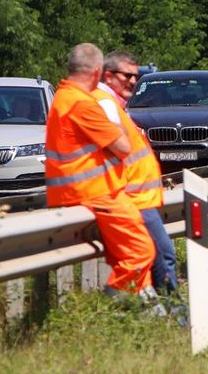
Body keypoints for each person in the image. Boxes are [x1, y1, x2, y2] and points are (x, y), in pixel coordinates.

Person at [45, 43, 156, 295]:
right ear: (97, 72)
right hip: (96, 192)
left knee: (130, 253)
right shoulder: (82, 104)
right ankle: (114, 301)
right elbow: (123, 146)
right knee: (142, 251)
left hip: (79, 190)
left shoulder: (63, 96)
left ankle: (137, 304)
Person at [94, 49, 178, 294]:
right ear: (108, 76)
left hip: (136, 196)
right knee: (163, 257)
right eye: (126, 76)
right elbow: (115, 149)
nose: (133, 81)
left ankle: (153, 312)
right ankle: (177, 315)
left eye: (135, 75)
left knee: (149, 258)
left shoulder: (115, 104)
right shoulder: (106, 103)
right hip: (132, 197)